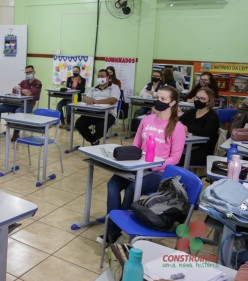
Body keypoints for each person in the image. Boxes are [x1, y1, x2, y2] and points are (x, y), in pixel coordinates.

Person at [102, 86, 186, 243]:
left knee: (132, 189)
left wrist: (153, 165)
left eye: (163, 99)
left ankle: (114, 230)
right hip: (138, 166)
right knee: (113, 184)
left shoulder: (177, 127)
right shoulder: (147, 120)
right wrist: (132, 160)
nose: (158, 101)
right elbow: (136, 144)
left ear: (173, 102)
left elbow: (175, 158)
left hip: (159, 171)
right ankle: (114, 227)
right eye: (157, 98)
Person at [0, 65, 42, 142]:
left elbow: (29, 93)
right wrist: (23, 91)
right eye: (26, 72)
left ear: (34, 72)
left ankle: (16, 134)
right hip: (17, 103)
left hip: (28, 105)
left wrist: (22, 90)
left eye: (30, 72)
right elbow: (15, 91)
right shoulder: (23, 82)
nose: (28, 74)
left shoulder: (38, 83)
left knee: (18, 111)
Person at [75, 69, 120, 146]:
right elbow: (85, 97)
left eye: (102, 76)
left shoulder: (114, 87)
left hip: (109, 113)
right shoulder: (94, 88)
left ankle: (93, 140)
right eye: (98, 76)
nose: (100, 78)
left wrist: (97, 101)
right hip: (93, 113)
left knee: (100, 128)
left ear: (108, 77)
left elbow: (113, 100)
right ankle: (94, 141)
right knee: (79, 123)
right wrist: (87, 99)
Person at [178, 87, 219, 167]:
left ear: (208, 102)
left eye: (202, 99)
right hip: (186, 146)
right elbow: (178, 123)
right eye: (197, 97)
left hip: (203, 151)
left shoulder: (212, 116)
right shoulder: (191, 112)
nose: (198, 100)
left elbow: (205, 132)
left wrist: (186, 127)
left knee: (178, 159)